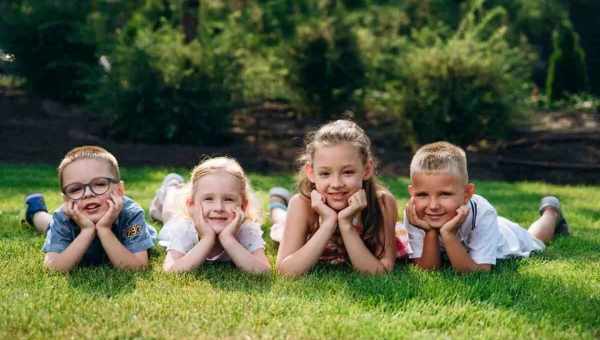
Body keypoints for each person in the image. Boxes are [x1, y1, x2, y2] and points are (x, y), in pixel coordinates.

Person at [404, 141, 570, 273]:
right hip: (489, 226)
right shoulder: (416, 213)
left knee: (535, 239)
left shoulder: (482, 213)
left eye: (445, 194)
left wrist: (448, 235)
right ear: (412, 193)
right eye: (422, 195)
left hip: (505, 237)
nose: (432, 206)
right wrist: (429, 232)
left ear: (467, 193)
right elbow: (429, 270)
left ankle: (551, 212)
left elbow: (478, 272)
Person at [272, 119, 411, 277]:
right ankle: (277, 201)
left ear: (367, 169)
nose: (336, 184)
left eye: (348, 172)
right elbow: (286, 271)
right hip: (298, 214)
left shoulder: (382, 202)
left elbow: (381, 272)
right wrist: (328, 223)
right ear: (311, 173)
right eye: (325, 173)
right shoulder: (301, 204)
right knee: (280, 221)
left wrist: (346, 224)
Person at [24, 145, 157, 272]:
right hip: (68, 222)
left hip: (134, 232)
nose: (88, 194)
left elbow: (137, 267)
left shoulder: (131, 216)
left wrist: (104, 229)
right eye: (75, 189)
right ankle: (35, 210)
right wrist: (87, 230)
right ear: (66, 200)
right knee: (48, 224)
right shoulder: (63, 218)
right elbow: (53, 268)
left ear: (119, 190)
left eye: (99, 184)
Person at [153, 157, 270, 274]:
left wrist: (227, 238)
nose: (219, 208)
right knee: (170, 211)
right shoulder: (185, 229)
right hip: (176, 219)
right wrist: (207, 238)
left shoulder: (246, 231)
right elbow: (171, 270)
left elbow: (263, 271)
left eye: (228, 199)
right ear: (191, 204)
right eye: (209, 199)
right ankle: (171, 185)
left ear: (243, 206)